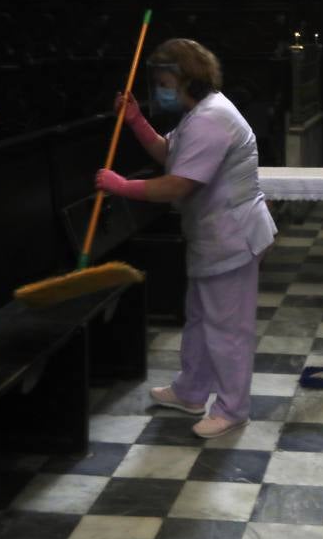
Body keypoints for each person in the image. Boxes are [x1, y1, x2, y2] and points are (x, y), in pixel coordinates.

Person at [95, 38, 276, 439]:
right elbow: (169, 154)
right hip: (214, 237)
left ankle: (233, 408)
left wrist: (123, 187)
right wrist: (137, 121)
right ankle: (191, 391)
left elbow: (178, 184)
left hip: (232, 238)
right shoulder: (200, 114)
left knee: (228, 328)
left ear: (189, 81)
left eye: (165, 83)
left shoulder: (213, 118)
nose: (161, 89)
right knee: (200, 319)